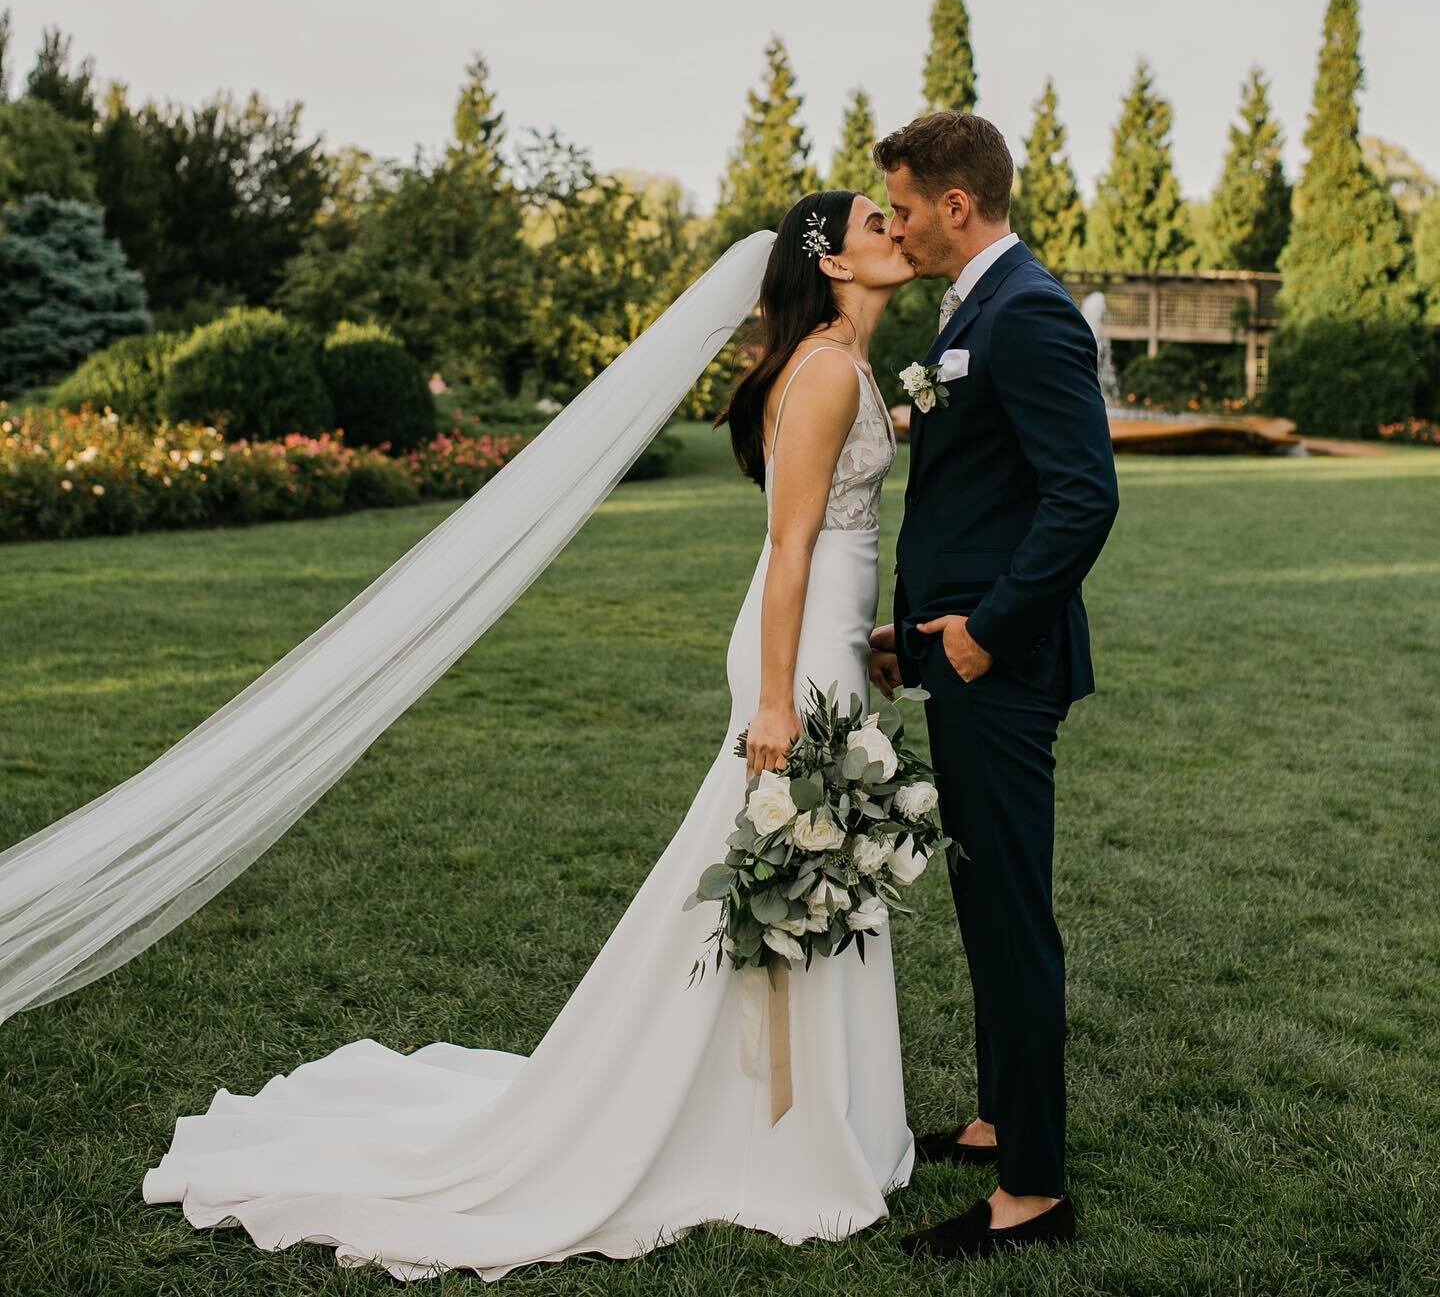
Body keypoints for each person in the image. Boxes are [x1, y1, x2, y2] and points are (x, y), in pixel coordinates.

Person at [141, 188, 917, 1282]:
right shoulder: (828, 368)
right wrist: (779, 700)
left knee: (806, 864)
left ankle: (796, 1112)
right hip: (798, 650)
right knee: (787, 857)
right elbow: (790, 547)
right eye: (874, 222)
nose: (894, 230)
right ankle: (770, 1128)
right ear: (832, 264)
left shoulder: (844, 356)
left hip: (829, 633)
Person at [867, 110, 1120, 1261]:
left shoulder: (1029, 313)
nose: (900, 226)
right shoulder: (971, 308)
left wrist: (985, 637)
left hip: (1004, 670)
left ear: (956, 205)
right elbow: (978, 497)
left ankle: (1032, 1191)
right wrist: (916, 638)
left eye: (907, 207)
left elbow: (1084, 498)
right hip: (957, 654)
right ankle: (998, 1114)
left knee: (1013, 915)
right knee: (984, 901)